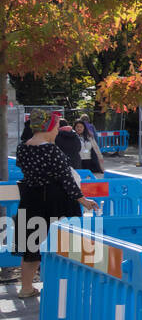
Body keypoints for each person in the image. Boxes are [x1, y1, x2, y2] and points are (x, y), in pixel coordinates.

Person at [13, 107, 100, 299]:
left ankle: (26, 287)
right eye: (55, 128)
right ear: (47, 128)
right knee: (67, 244)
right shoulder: (51, 150)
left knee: (31, 246)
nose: (56, 131)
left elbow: (23, 168)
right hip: (56, 201)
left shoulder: (22, 147)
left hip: (31, 200)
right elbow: (66, 180)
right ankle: (68, 287)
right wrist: (83, 200)